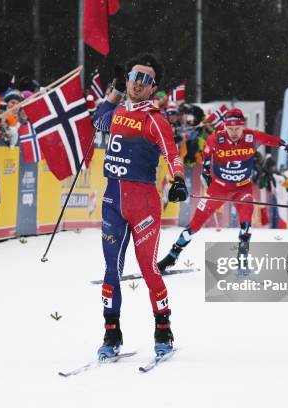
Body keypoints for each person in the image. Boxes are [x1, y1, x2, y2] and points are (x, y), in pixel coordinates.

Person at [92, 53, 187, 359]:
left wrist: (179, 180)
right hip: (112, 202)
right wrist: (115, 90)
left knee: (148, 269)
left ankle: (163, 328)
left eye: (145, 79)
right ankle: (111, 334)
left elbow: (172, 154)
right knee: (111, 270)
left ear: (153, 88)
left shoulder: (154, 119)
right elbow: (98, 120)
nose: (138, 83)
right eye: (134, 76)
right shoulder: (116, 111)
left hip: (144, 205)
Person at [157, 108, 288, 271]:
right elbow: (206, 155)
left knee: (246, 225)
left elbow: (274, 140)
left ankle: (243, 259)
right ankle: (172, 256)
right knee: (194, 226)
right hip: (219, 189)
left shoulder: (252, 137)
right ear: (224, 127)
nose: (233, 133)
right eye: (229, 129)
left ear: (243, 126)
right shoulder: (215, 139)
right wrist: (205, 173)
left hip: (242, 189)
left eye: (237, 129)